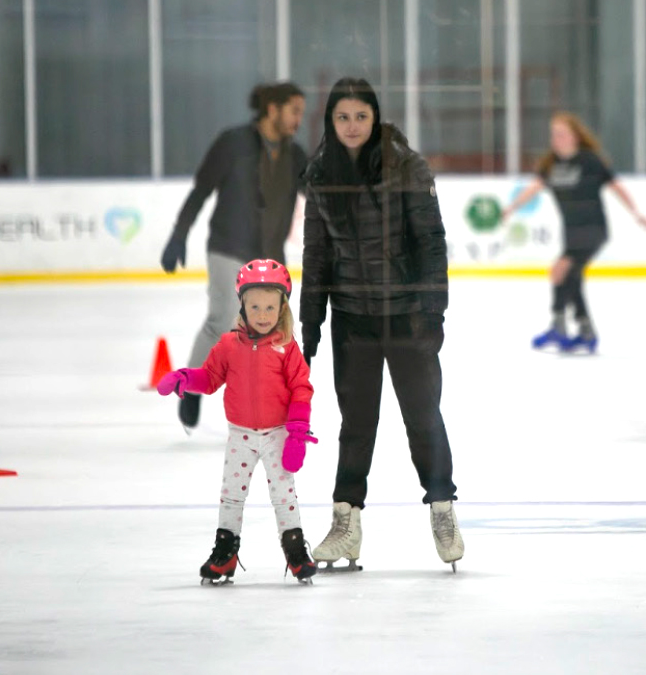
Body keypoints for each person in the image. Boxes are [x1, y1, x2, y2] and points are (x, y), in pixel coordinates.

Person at [299, 78, 463, 572]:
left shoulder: (406, 167)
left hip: (408, 315)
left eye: (360, 117)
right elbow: (317, 254)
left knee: (422, 417)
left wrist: (433, 312)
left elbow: (432, 241)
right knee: (356, 425)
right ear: (331, 121)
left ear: (375, 118)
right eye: (342, 117)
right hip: (353, 321)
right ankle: (346, 522)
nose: (352, 126)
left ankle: (442, 509)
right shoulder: (321, 175)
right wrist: (310, 322)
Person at [156, 259, 319, 584]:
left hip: (277, 435)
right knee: (231, 495)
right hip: (241, 436)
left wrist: (298, 433)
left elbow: (302, 388)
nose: (262, 314)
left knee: (284, 495)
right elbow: (212, 377)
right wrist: (185, 379)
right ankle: (225, 553)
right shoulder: (229, 345)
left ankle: (296, 551)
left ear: (282, 307)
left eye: (270, 307)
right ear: (241, 304)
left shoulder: (287, 348)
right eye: (255, 306)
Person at [161, 82, 308, 432]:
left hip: (269, 255)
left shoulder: (296, 155)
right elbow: (201, 189)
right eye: (294, 111)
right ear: (272, 109)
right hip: (229, 246)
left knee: (271, 330)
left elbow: (319, 194)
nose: (299, 120)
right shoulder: (233, 143)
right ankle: (193, 390)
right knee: (223, 319)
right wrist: (179, 234)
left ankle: (265, 408)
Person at [500, 112, 646, 353]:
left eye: (561, 134)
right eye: (554, 134)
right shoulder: (551, 165)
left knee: (560, 271)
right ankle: (585, 330)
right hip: (572, 233)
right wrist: (511, 208)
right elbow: (534, 188)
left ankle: (559, 326)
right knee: (571, 276)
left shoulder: (590, 161)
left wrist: (636, 213)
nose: (556, 139)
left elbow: (616, 186)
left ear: (575, 137)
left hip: (593, 230)